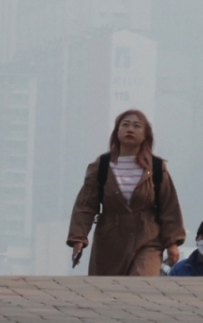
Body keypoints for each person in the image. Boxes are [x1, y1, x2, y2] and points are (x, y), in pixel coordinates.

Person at [67, 109, 185, 276]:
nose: (130, 129)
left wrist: (172, 242)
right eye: (125, 125)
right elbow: (85, 205)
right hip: (110, 242)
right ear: (117, 132)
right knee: (109, 293)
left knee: (140, 285)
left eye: (137, 126)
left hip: (148, 238)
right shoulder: (101, 166)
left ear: (145, 135)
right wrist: (78, 239)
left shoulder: (157, 168)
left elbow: (169, 207)